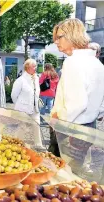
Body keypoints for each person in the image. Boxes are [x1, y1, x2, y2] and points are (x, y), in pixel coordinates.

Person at [49, 18, 104, 157]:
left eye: (59, 37)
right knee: (75, 172)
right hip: (89, 128)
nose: (56, 42)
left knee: (65, 172)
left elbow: (77, 104)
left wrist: (57, 119)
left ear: (72, 36)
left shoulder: (73, 62)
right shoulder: (97, 64)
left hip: (71, 129)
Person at [11, 59, 43, 147]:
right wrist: (20, 104)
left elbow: (36, 92)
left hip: (35, 108)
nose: (35, 68)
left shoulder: (36, 78)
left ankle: (38, 144)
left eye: (36, 66)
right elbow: (14, 95)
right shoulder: (20, 80)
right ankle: (16, 143)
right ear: (27, 67)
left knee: (37, 125)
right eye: (34, 66)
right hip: (23, 108)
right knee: (23, 127)